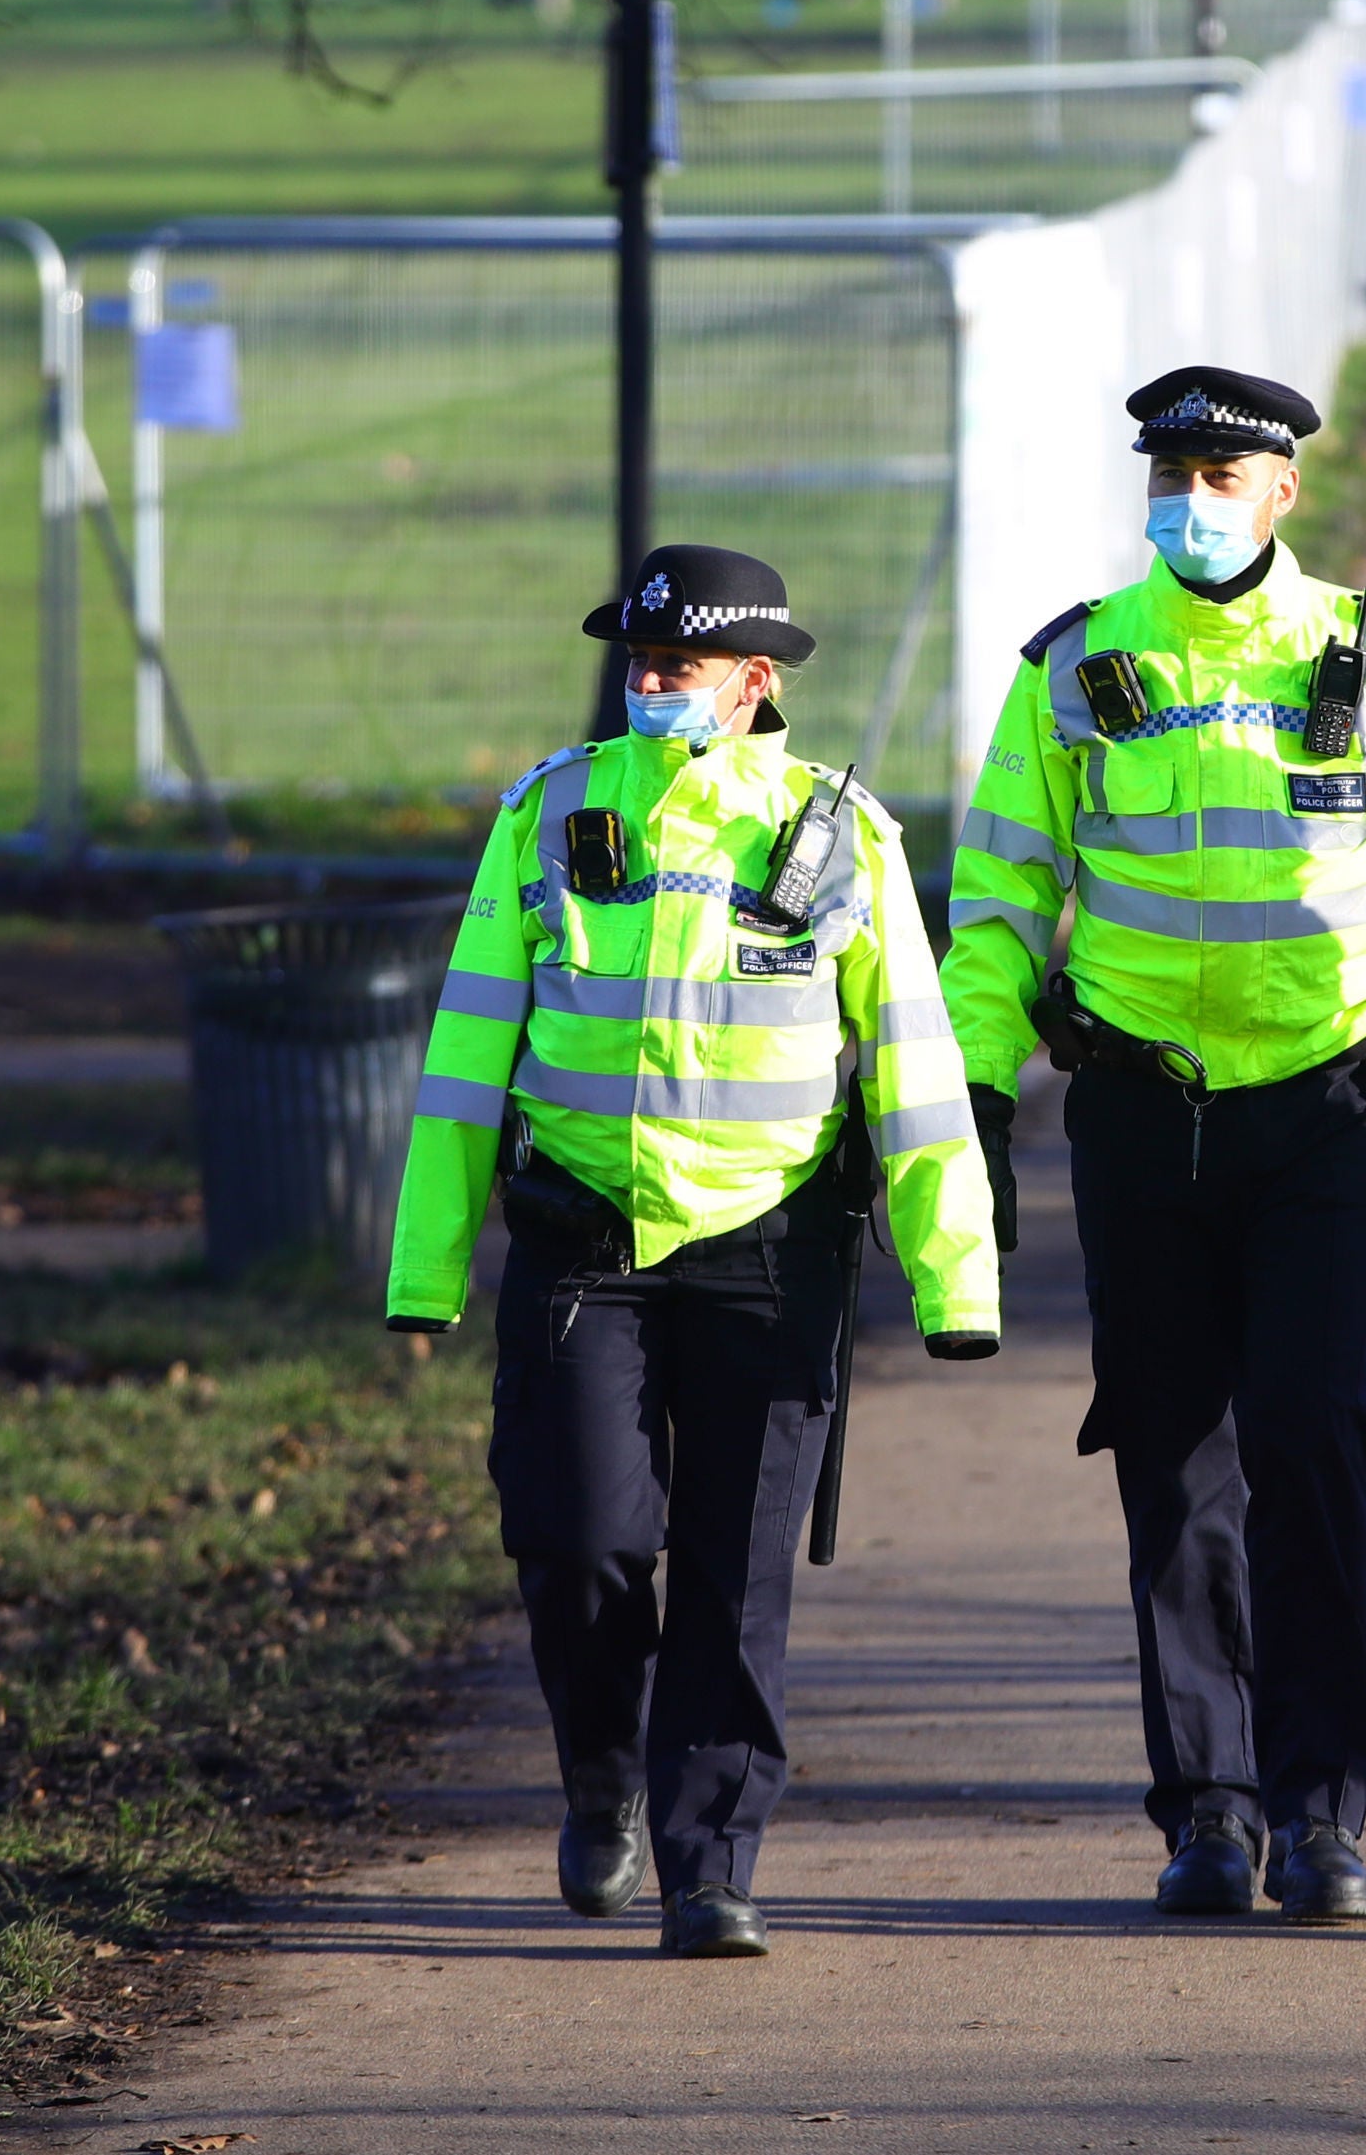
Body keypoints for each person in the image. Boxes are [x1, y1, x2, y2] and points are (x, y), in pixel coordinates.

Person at [945, 366, 1366, 1924]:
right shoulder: (1077, 666)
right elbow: (995, 900)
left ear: (1280, 495)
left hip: (1327, 1115)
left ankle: (1323, 1810)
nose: (1190, 497)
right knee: (1171, 1462)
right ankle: (1209, 1808)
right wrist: (975, 1102)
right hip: (1139, 1120)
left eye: (1220, 471)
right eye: (1170, 469)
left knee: (1313, 1445)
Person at [386, 544, 1003, 1959]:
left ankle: (710, 1860)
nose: (652, 685)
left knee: (735, 1573)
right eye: (639, 663)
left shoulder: (840, 832)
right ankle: (602, 1780)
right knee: (578, 1543)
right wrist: (427, 1264)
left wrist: (951, 1271)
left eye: (680, 667)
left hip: (765, 1250)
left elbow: (911, 1064)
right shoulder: (550, 813)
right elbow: (471, 1043)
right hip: (581, 1241)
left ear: (754, 682)